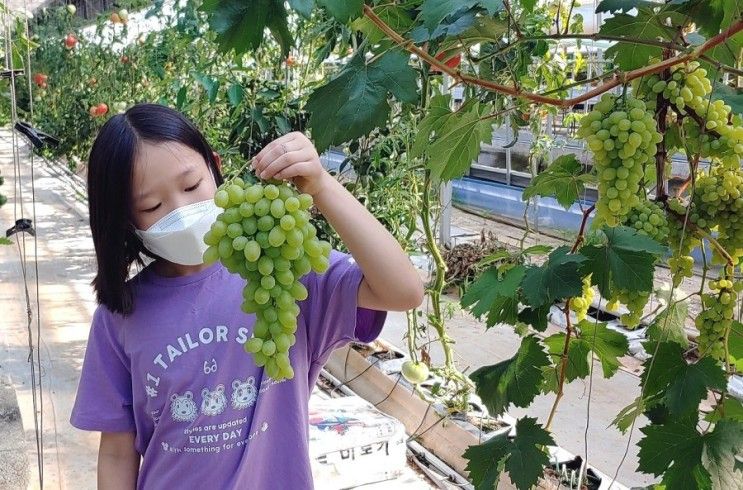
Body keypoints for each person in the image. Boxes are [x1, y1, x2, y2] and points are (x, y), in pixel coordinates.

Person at [69, 103, 424, 489]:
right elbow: (118, 451)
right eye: (152, 206)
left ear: (215, 167)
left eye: (191, 186)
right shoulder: (120, 315)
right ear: (125, 219)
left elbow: (403, 290)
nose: (182, 210)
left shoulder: (285, 275)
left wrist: (321, 186)